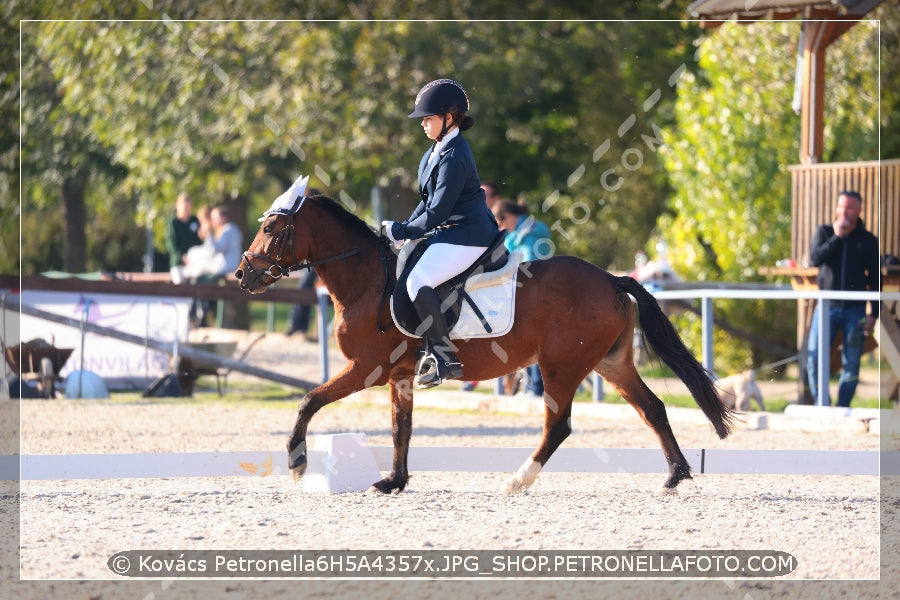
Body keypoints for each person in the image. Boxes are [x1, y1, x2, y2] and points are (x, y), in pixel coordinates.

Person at [381, 79, 499, 388]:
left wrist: (404, 229)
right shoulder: (436, 151)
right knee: (407, 263)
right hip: (451, 232)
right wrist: (403, 230)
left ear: (449, 117)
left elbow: (437, 212)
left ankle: (445, 357)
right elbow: (427, 203)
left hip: (469, 234)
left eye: (428, 117)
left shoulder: (456, 155)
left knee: (419, 279)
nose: (423, 122)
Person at [806, 191, 879, 407]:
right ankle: (823, 404)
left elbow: (875, 279)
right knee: (814, 358)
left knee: (852, 362)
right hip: (826, 307)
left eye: (849, 208)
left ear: (859, 211)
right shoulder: (825, 232)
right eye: (841, 207)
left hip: (855, 311)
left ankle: (843, 407)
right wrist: (836, 238)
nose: (844, 212)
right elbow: (814, 259)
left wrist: (873, 313)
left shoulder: (868, 240)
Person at [493, 200, 552, 397]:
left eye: (500, 223)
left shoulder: (528, 234)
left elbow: (529, 264)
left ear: (508, 217)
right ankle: (532, 386)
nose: (501, 228)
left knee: (533, 341)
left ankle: (535, 387)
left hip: (533, 292)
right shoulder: (523, 233)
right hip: (532, 291)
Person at [165, 192, 202, 270]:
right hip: (178, 263)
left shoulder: (194, 220)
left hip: (195, 262)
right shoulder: (173, 222)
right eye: (183, 207)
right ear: (177, 206)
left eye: (187, 207)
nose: (185, 209)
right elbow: (171, 243)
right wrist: (182, 257)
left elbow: (200, 240)